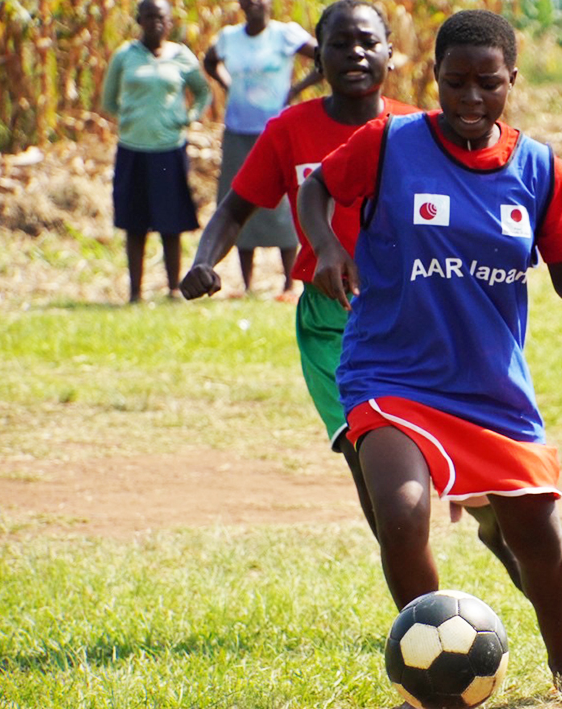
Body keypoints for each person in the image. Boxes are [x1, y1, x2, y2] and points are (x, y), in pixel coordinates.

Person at [298, 10, 562, 706]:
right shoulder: (390, 141)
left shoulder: (536, 166)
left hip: (490, 389)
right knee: (404, 513)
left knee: (538, 532)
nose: (472, 99)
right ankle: (435, 668)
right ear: (434, 76)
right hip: (390, 373)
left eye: (489, 84)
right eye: (456, 82)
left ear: (512, 82)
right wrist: (326, 245)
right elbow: (316, 185)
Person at [180, 1, 426, 546]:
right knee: (365, 455)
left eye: (368, 42)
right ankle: (413, 597)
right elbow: (234, 210)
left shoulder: (419, 130)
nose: (355, 53)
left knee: (443, 469)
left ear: (390, 52)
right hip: (330, 321)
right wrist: (203, 262)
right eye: (339, 44)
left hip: (413, 318)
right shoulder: (289, 130)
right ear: (318, 55)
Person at [203, 0, 320, 301]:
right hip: (239, 129)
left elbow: (324, 57)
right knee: (241, 200)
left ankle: (289, 284)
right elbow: (209, 61)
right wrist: (228, 83)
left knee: (283, 207)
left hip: (276, 129)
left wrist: (295, 90)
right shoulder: (230, 38)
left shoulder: (285, 35)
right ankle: (247, 284)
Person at [101, 0, 211, 303]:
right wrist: (131, 119)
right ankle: (135, 292)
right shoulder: (125, 55)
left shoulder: (181, 56)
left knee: (170, 222)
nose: (155, 23)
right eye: (148, 17)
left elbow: (203, 92)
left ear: (170, 22)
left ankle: (174, 289)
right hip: (133, 149)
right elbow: (109, 100)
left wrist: (188, 118)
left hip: (169, 150)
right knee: (134, 222)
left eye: (161, 17)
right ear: (139, 20)